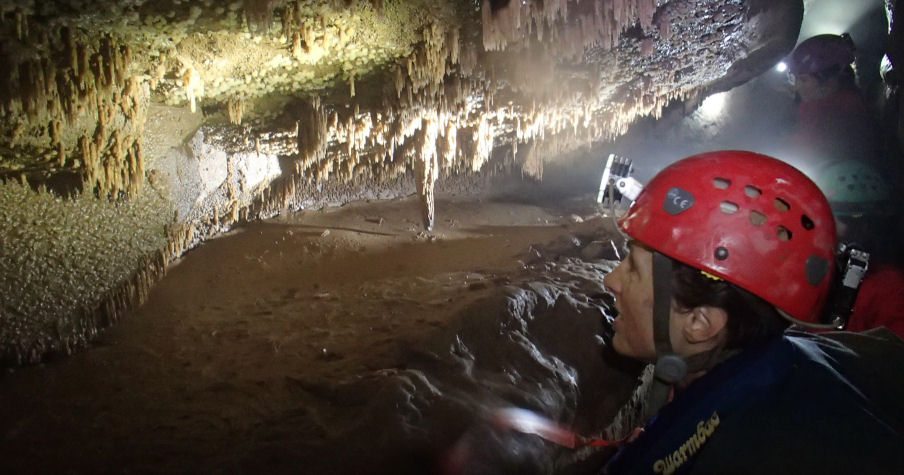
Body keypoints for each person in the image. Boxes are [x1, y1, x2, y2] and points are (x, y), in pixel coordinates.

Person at [598, 150, 904, 474]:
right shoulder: (789, 359)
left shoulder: (755, 451)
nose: (610, 280)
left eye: (632, 269)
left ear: (700, 323)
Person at [813, 159, 904, 338]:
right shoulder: (800, 271)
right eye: (847, 220)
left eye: (864, 222)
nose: (859, 232)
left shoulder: (887, 287)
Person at [783, 33, 884, 175]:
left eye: (804, 80)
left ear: (830, 82)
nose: (797, 87)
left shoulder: (834, 115)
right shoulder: (855, 104)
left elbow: (801, 153)